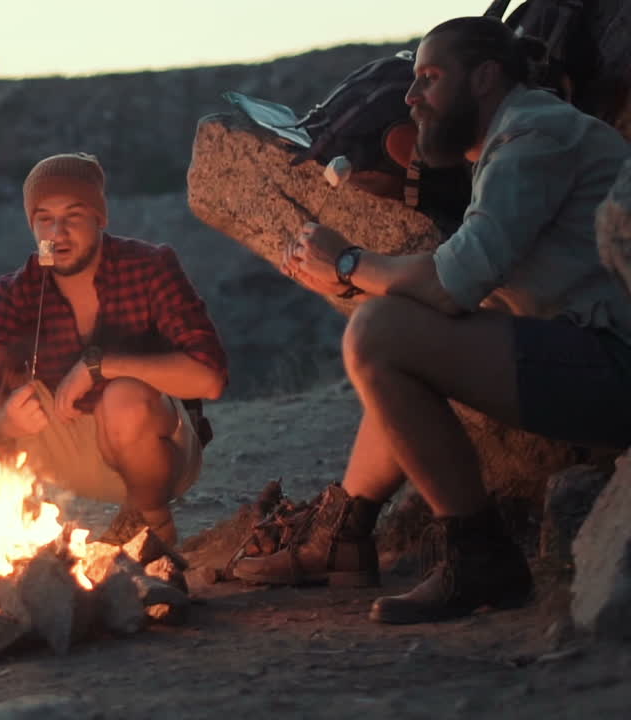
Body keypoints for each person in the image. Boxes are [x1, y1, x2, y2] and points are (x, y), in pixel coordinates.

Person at [237, 16, 631, 624]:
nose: (412, 97)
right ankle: (347, 531)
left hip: (616, 365)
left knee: (381, 333)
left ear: (485, 77)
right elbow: (452, 286)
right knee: (394, 326)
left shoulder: (534, 134)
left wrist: (346, 261)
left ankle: (481, 558)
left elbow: (453, 284)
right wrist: (352, 270)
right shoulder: (518, 135)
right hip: (594, 354)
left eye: (429, 78)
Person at [0, 153, 229, 547]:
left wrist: (98, 366)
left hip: (153, 452)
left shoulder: (150, 266)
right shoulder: (21, 288)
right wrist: (4, 423)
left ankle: (154, 528)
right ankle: (10, 504)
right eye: (44, 219)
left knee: (122, 397)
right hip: (64, 442)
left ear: (99, 218)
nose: (58, 232)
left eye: (73, 215)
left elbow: (209, 380)